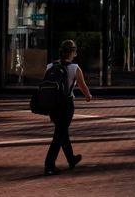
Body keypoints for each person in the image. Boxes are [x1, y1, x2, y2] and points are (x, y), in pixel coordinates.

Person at [44, 39, 92, 175]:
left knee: (62, 131)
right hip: (66, 104)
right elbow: (82, 85)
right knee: (59, 134)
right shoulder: (74, 68)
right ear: (72, 52)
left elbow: (46, 84)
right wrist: (88, 95)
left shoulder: (50, 66)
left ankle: (71, 159)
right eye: (75, 51)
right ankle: (49, 165)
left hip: (52, 104)